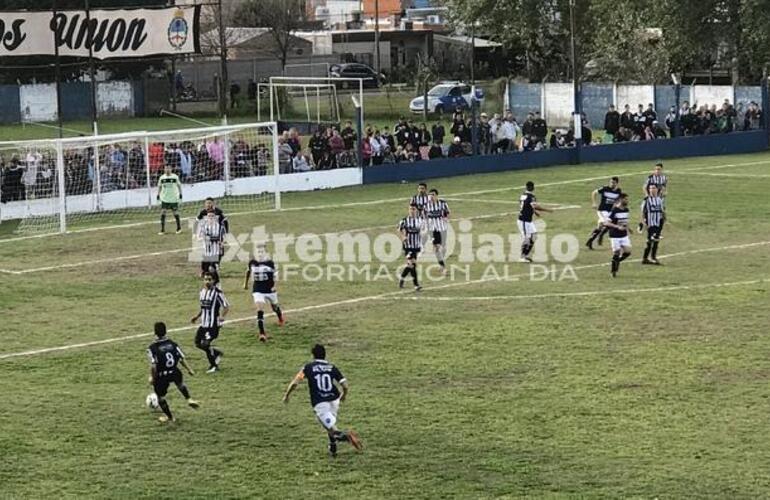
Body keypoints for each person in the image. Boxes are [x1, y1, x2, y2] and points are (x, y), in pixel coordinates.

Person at [282, 344, 363, 457]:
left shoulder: (308, 367)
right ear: (325, 355)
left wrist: (287, 395)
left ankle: (347, 436)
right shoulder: (332, 367)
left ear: (313, 355)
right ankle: (333, 446)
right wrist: (344, 395)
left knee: (332, 429)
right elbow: (345, 385)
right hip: (334, 400)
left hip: (320, 402)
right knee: (330, 425)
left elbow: (295, 382)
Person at [147, 322, 199, 423]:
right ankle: (189, 399)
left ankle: (170, 417)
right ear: (166, 331)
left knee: (160, 397)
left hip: (162, 375)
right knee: (180, 384)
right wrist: (189, 370)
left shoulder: (152, 348)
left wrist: (152, 378)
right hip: (175, 371)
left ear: (155, 333)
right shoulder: (172, 343)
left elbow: (154, 366)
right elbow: (181, 358)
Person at [190, 272, 229, 373]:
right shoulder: (202, 292)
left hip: (213, 325)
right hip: (203, 324)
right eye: (206, 279)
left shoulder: (218, 293)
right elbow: (203, 307)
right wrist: (197, 316)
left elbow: (226, 306)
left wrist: (222, 317)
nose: (207, 281)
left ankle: (214, 366)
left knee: (206, 344)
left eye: (209, 279)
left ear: (214, 281)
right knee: (198, 343)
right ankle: (216, 353)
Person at [243, 247, 284, 342]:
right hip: (258, 290)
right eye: (258, 252)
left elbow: (276, 276)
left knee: (275, 307)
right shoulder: (252, 262)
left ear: (266, 253)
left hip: (270, 290)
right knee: (259, 309)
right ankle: (262, 333)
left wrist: (275, 286)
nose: (260, 254)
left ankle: (280, 317)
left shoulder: (270, 263)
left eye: (262, 252)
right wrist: (245, 284)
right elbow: (248, 271)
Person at [517, 181, 552, 262]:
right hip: (524, 221)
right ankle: (522, 257)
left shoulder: (523, 195)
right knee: (527, 238)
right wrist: (547, 210)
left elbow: (525, 205)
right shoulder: (531, 196)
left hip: (528, 221)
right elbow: (535, 206)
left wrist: (534, 212)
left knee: (534, 236)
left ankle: (524, 255)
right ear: (532, 187)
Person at [586, 176, 622, 250]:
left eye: (613, 183)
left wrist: (616, 206)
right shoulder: (605, 188)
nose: (611, 184)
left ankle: (590, 241)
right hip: (602, 210)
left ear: (617, 183)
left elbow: (618, 200)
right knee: (608, 223)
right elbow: (594, 193)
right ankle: (601, 235)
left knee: (600, 227)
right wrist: (594, 203)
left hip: (610, 212)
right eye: (611, 182)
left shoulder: (618, 191)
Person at [398, 203, 425, 290]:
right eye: (410, 209)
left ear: (416, 210)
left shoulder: (420, 220)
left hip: (416, 246)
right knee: (412, 264)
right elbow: (400, 230)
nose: (412, 211)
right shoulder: (404, 220)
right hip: (408, 246)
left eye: (413, 209)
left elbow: (423, 231)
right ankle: (416, 285)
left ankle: (402, 278)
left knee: (411, 265)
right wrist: (404, 236)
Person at [605, 193, 632, 277]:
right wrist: (617, 227)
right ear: (621, 199)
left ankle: (617, 262)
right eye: (626, 199)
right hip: (615, 235)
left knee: (628, 251)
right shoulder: (615, 210)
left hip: (624, 235)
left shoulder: (626, 210)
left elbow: (625, 221)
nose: (627, 201)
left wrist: (629, 228)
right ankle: (613, 271)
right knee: (616, 252)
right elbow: (607, 223)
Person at [424, 189, 450, 274]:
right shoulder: (426, 205)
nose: (431, 196)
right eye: (430, 195)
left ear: (437, 195)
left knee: (443, 247)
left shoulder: (443, 203)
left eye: (433, 194)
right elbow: (424, 216)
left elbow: (447, 213)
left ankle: (441, 263)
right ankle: (443, 267)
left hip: (442, 228)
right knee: (436, 247)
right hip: (433, 229)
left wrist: (445, 218)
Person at [640, 183, 665, 265]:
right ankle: (645, 258)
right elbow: (642, 213)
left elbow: (662, 210)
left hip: (659, 222)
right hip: (650, 223)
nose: (652, 190)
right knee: (650, 240)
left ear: (657, 190)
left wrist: (665, 220)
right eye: (650, 188)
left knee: (656, 240)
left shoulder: (659, 199)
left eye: (654, 188)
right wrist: (643, 223)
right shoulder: (646, 200)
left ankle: (653, 257)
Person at [198, 210, 226, 277]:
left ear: (215, 217)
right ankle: (204, 271)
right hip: (206, 249)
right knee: (206, 267)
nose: (210, 217)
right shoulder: (203, 226)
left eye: (212, 216)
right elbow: (199, 237)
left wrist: (222, 242)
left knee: (212, 268)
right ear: (206, 217)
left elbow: (224, 237)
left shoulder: (220, 227)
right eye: (209, 216)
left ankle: (214, 270)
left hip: (216, 250)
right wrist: (205, 238)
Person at [157, 165, 182, 235]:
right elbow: (159, 187)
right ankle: (162, 230)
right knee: (163, 212)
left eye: (169, 168)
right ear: (164, 169)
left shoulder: (175, 177)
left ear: (171, 169)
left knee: (175, 212)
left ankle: (179, 228)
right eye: (166, 168)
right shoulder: (162, 178)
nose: (167, 170)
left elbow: (179, 186)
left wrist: (180, 194)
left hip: (173, 198)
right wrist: (158, 195)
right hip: (165, 198)